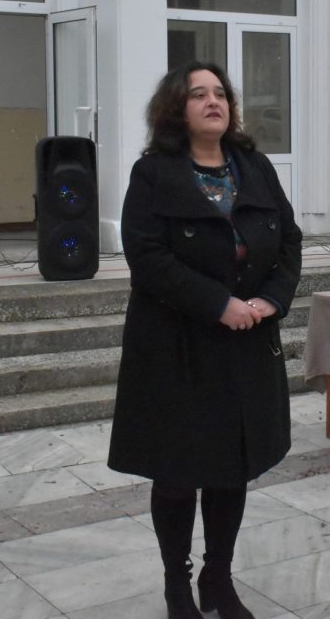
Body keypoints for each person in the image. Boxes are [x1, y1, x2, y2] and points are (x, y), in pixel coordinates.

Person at [108, 61, 302, 619]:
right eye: (199, 94)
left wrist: (270, 300)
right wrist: (218, 304)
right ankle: (178, 584)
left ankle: (219, 577)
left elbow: (289, 240)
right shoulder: (153, 173)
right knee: (177, 472)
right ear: (177, 108)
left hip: (245, 345)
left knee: (230, 468)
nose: (213, 101)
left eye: (220, 93)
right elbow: (147, 257)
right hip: (176, 348)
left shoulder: (255, 167)